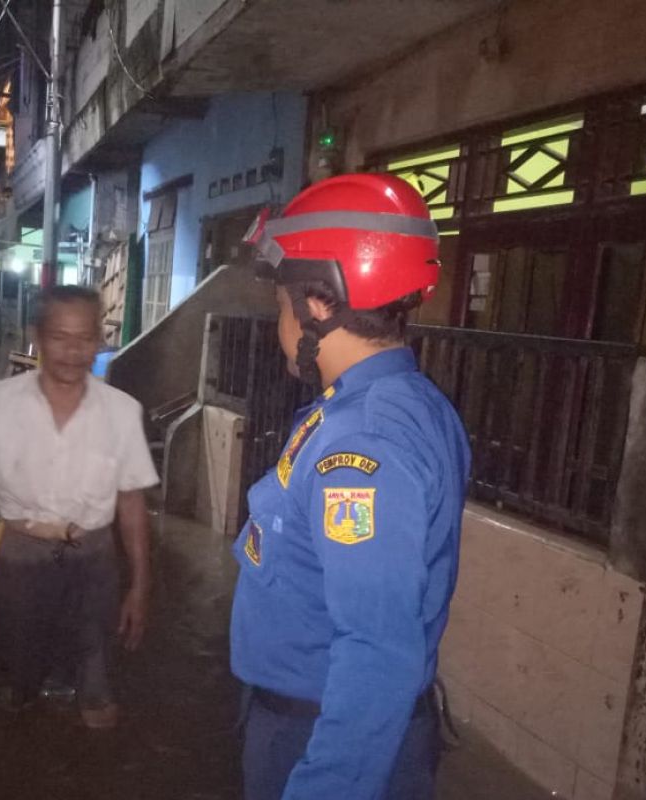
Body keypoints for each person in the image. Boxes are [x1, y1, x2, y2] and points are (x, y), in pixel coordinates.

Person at [230, 173, 471, 799]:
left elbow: (377, 653)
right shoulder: (382, 403)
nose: (278, 321)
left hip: (325, 742)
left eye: (282, 303)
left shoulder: (363, 441)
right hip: (316, 722)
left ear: (317, 302)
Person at [0, 285, 158, 729]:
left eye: (84, 339)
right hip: (20, 558)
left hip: (95, 561)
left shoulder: (122, 412)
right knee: (16, 687)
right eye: (60, 337)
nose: (72, 352)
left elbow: (132, 500)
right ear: (37, 336)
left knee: (98, 696)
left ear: (99, 340)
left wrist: (139, 585)